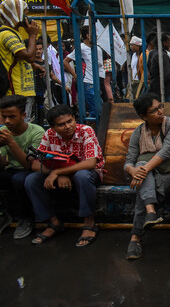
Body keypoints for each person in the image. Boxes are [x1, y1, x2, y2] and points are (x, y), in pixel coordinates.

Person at [24, 105, 104, 247]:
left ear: (74, 119)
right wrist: (55, 174)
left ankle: (89, 223)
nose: (68, 126)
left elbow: (91, 163)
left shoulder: (86, 131)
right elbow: (36, 164)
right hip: (60, 173)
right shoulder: (49, 134)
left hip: (88, 174)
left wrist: (58, 172)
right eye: (61, 124)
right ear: (53, 127)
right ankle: (53, 222)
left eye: (70, 121)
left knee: (82, 176)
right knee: (31, 180)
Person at [124, 93, 170, 259]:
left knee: (142, 174)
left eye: (160, 107)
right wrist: (132, 171)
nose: (160, 111)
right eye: (154, 110)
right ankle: (149, 213)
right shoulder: (138, 133)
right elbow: (128, 161)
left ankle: (136, 236)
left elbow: (166, 152)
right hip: (149, 179)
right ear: (143, 116)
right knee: (143, 178)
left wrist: (142, 170)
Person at [0, 95, 45, 239]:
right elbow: (4, 163)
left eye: (12, 117)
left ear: (24, 115)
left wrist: (11, 143)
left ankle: (26, 218)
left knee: (20, 179)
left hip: (29, 170)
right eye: (4, 117)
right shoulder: (3, 131)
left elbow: (30, 166)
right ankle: (2, 214)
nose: (7, 121)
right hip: (10, 170)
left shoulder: (37, 132)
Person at [0, 0, 39, 121]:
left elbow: (25, 59)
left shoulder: (13, 33)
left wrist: (35, 66)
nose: (27, 17)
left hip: (21, 89)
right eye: (25, 13)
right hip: (15, 91)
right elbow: (29, 56)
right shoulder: (7, 34)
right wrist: (32, 35)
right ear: (15, 13)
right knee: (18, 126)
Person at [64, 26, 104, 119]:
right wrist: (75, 75)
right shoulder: (80, 48)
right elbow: (65, 62)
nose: (97, 36)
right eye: (94, 34)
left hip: (97, 82)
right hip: (87, 82)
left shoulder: (97, 48)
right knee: (95, 109)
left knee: (98, 109)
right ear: (87, 36)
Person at [147, 32, 170, 102]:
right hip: (164, 92)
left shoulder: (151, 53)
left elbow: (151, 71)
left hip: (154, 89)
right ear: (164, 42)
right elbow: (165, 77)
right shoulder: (163, 56)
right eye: (169, 41)